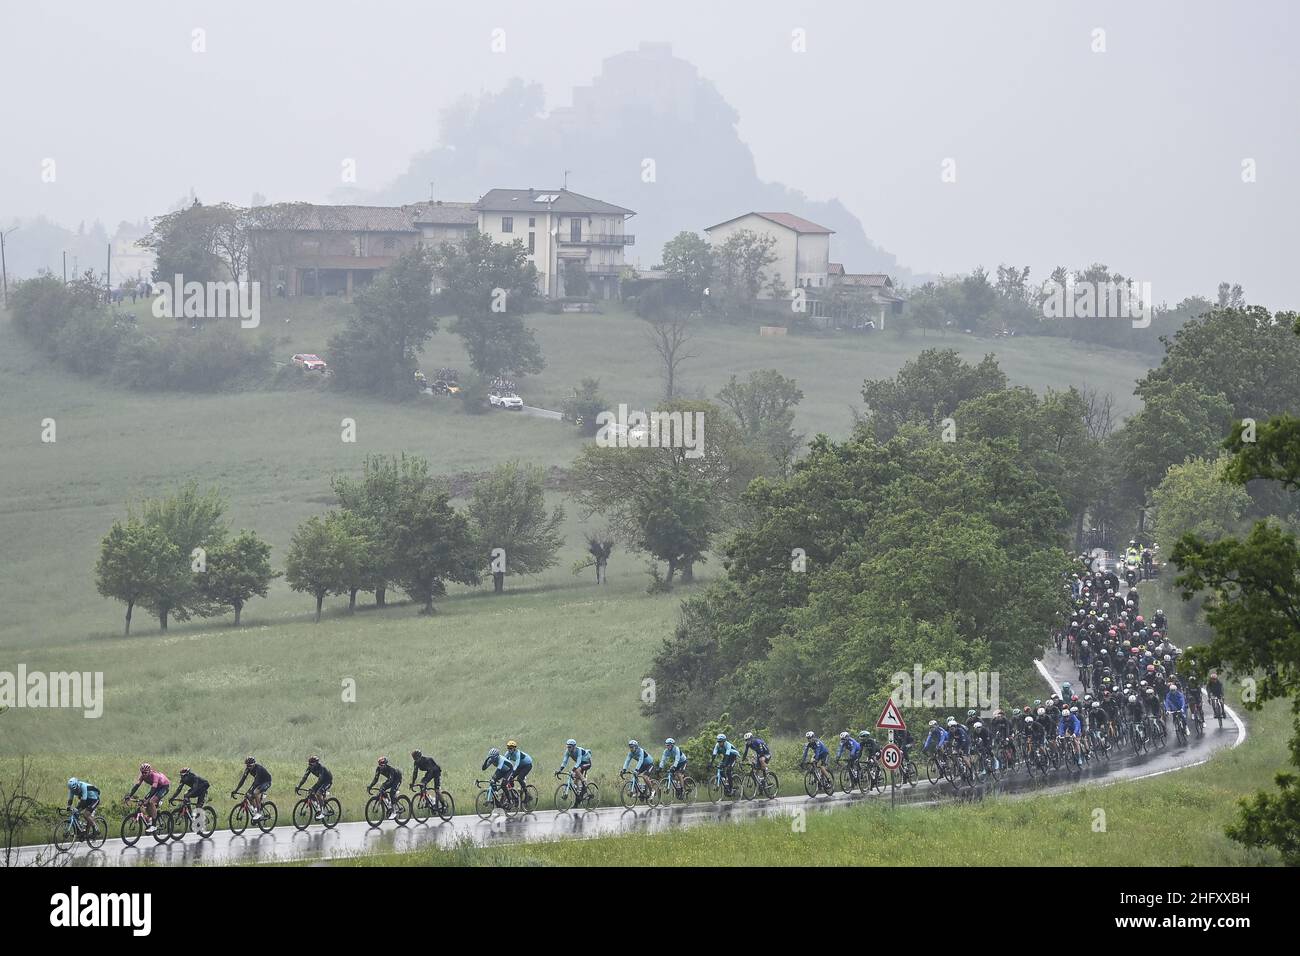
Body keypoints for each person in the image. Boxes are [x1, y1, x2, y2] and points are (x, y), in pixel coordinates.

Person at [125, 763, 169, 833]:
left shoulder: (154, 775)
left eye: (146, 772)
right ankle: (150, 818)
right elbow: (137, 786)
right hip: (157, 788)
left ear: (149, 771)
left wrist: (148, 798)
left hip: (164, 787)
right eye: (142, 772)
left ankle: (154, 826)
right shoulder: (142, 776)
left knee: (151, 801)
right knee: (146, 804)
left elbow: (154, 788)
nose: (144, 774)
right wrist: (129, 795)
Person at [503, 741, 533, 805]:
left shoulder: (517, 753)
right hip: (520, 765)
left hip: (527, 765)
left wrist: (513, 771)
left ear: (514, 748)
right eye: (508, 748)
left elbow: (516, 763)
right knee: (509, 778)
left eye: (511, 748)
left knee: (519, 778)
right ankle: (513, 793)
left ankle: (527, 795)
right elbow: (503, 761)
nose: (509, 750)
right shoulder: (507, 753)